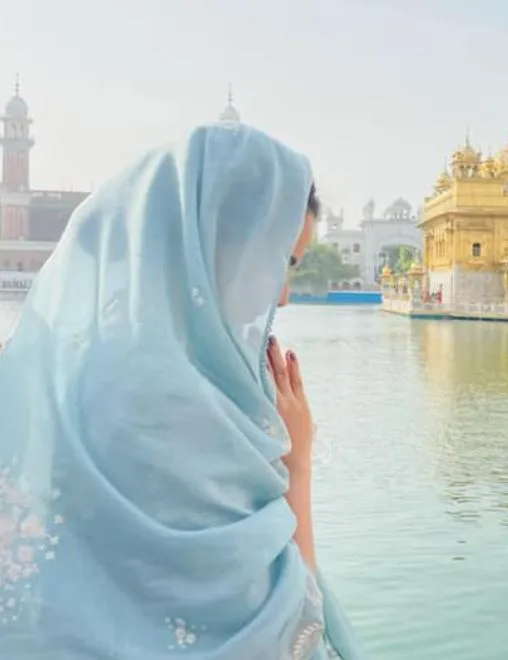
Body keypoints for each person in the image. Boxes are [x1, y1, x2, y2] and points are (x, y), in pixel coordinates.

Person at [0, 123, 365, 659]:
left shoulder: (54, 390)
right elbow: (294, 634)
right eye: (280, 264)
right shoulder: (192, 420)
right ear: (215, 251)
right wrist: (298, 466)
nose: (283, 296)